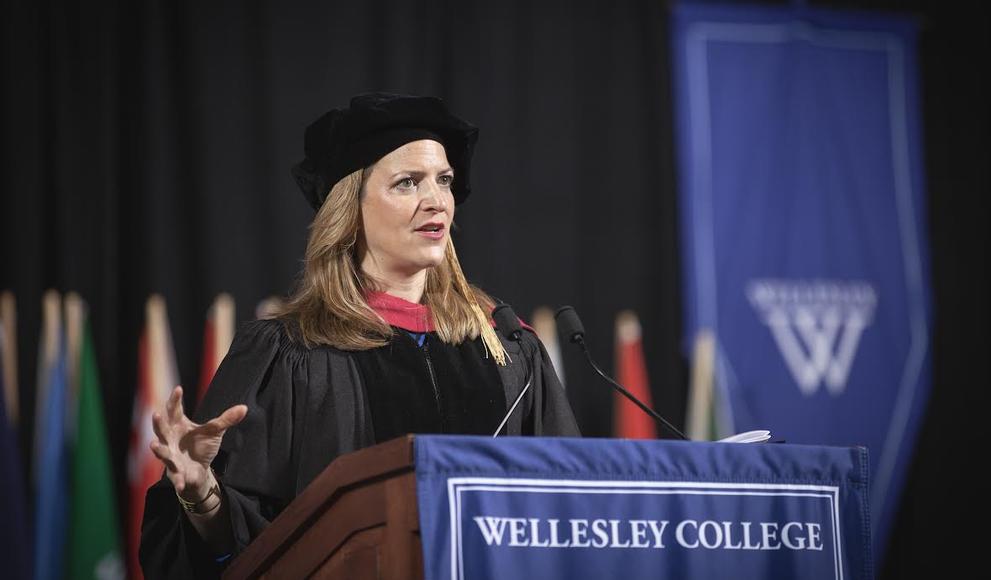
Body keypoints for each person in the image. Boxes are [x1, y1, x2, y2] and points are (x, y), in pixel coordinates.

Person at [138, 93, 580, 578]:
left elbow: (569, 509)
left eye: (444, 180)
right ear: (349, 209)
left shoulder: (508, 350)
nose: (436, 200)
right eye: (407, 182)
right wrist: (203, 493)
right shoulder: (290, 353)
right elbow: (251, 548)